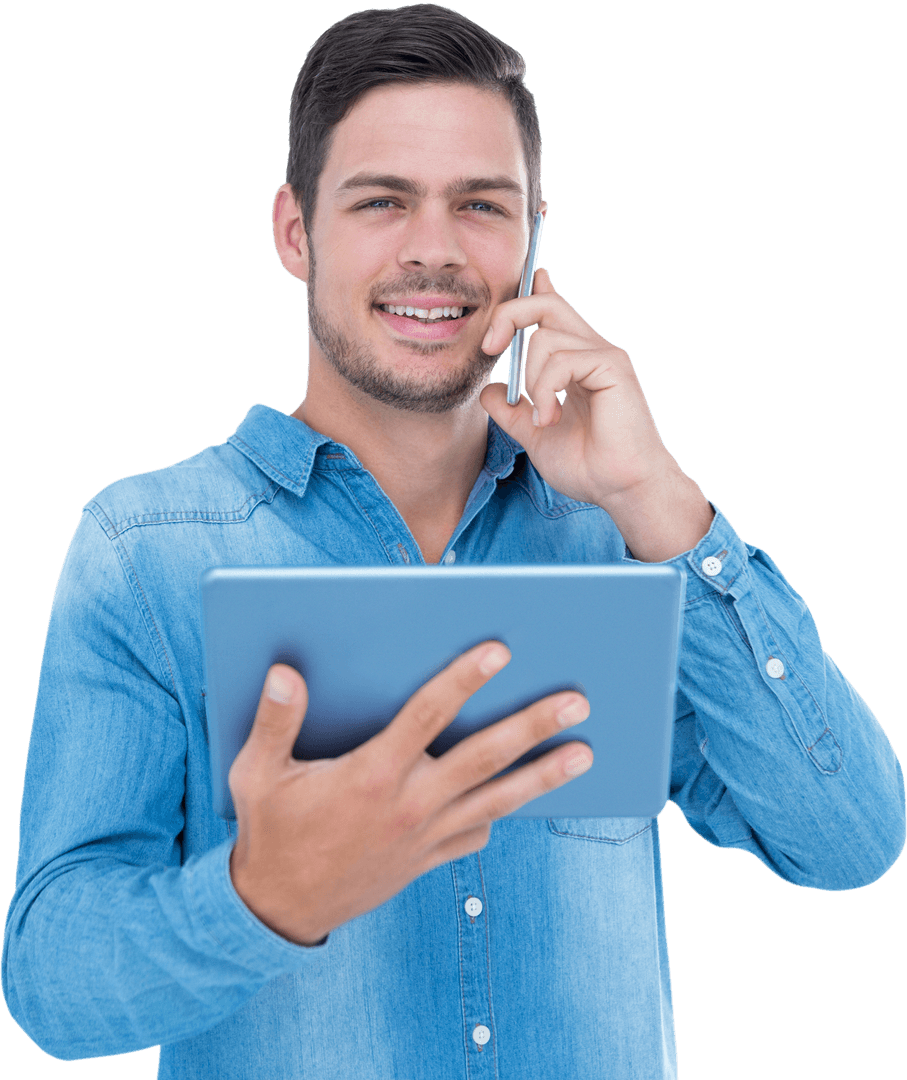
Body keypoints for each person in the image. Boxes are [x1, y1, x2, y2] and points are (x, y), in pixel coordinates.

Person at [2, 5, 904, 1078]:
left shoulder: (619, 543)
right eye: (381, 201)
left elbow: (846, 841)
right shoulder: (145, 551)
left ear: (533, 240)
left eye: (480, 205)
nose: (433, 250)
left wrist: (657, 499)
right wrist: (261, 898)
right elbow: (51, 989)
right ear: (295, 232)